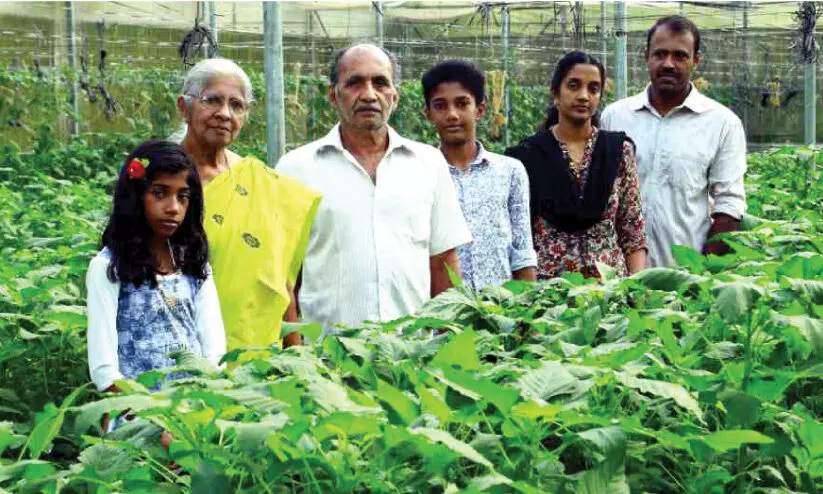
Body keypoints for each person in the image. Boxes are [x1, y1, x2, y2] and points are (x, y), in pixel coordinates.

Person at [277, 44, 472, 330]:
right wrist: (295, 353)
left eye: (380, 83)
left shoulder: (428, 163)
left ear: (394, 95)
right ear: (333, 95)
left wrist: (448, 346)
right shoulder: (295, 169)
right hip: (326, 360)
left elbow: (443, 262)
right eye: (354, 83)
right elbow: (284, 276)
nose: (369, 94)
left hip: (412, 355)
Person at [175, 58, 321, 356]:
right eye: (212, 100)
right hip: (172, 347)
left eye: (236, 105)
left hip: (252, 359)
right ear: (184, 106)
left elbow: (280, 284)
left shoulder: (262, 185)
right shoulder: (157, 179)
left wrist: (295, 360)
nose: (224, 114)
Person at [600, 16, 746, 267]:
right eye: (660, 54)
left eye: (680, 56)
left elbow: (729, 206)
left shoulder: (722, 123)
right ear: (646, 56)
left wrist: (701, 272)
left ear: (695, 61)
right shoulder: (615, 117)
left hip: (683, 277)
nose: (668, 64)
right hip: (618, 276)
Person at [86, 139, 225, 394]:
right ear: (136, 196)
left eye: (182, 197)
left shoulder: (194, 267)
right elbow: (104, 370)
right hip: (134, 417)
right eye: (159, 193)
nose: (173, 208)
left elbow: (214, 352)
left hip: (193, 413)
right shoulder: (109, 268)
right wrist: (150, 416)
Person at [506, 51, 647, 279]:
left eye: (593, 88)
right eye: (573, 86)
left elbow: (633, 232)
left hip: (610, 294)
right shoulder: (527, 156)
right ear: (555, 92)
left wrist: (637, 287)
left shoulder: (618, 151)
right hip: (550, 295)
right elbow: (520, 238)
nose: (583, 96)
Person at [421, 59, 537, 289]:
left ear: (479, 110)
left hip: (501, 312)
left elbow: (522, 249)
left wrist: (527, 312)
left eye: (462, 104)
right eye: (440, 105)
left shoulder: (510, 172)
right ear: (428, 114)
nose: (452, 114)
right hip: (443, 314)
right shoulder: (421, 174)